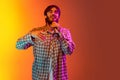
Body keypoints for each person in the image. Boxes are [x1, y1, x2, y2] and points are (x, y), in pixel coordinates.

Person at [16, 5, 75, 80]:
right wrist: (30, 35)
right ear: (45, 15)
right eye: (50, 11)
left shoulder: (65, 32)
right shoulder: (36, 32)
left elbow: (69, 51)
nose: (53, 13)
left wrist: (59, 34)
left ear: (59, 16)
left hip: (59, 76)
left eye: (56, 12)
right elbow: (18, 45)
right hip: (40, 76)